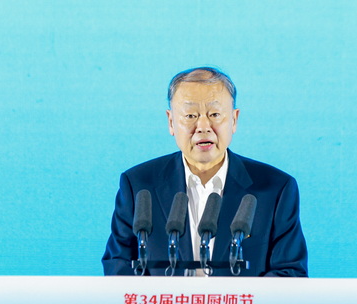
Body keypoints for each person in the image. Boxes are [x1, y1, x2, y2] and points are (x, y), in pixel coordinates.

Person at [102, 67, 307, 277]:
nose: (203, 127)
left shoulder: (275, 188)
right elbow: (118, 264)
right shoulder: (138, 184)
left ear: (234, 119)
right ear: (171, 122)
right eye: (190, 115)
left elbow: (290, 272)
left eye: (215, 114)